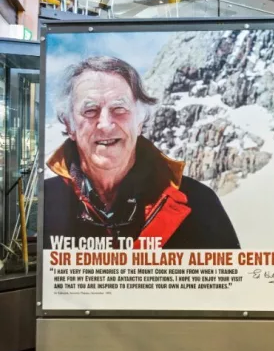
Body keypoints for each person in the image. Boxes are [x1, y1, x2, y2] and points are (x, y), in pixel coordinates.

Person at [43, 56, 240, 249]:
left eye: (119, 108)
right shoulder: (44, 202)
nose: (105, 124)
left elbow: (231, 280)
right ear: (69, 124)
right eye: (90, 110)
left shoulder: (197, 202)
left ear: (140, 121)